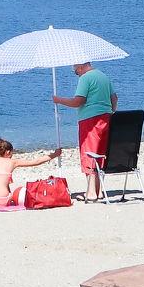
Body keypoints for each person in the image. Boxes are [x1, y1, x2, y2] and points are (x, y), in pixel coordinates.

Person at [52, 60, 116, 201]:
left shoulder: (85, 78)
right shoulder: (103, 76)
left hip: (89, 119)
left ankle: (92, 192)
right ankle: (98, 191)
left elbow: (78, 101)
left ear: (80, 66)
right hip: (106, 118)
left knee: (88, 152)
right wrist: (111, 112)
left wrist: (59, 100)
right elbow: (114, 98)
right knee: (100, 152)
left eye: (75, 70)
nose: (76, 73)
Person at [0, 137, 60, 208]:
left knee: (2, 183)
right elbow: (36, 161)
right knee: (19, 190)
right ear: (8, 152)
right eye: (12, 153)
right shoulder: (13, 162)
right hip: (3, 200)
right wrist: (55, 154)